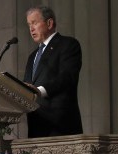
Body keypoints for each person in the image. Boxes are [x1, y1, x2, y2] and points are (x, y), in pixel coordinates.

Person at [23, 6, 83, 138]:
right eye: (29, 25)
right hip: (35, 127)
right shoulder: (32, 56)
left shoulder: (68, 45)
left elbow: (67, 77)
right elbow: (27, 86)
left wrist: (40, 90)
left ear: (49, 23)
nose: (31, 29)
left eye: (35, 23)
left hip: (60, 126)